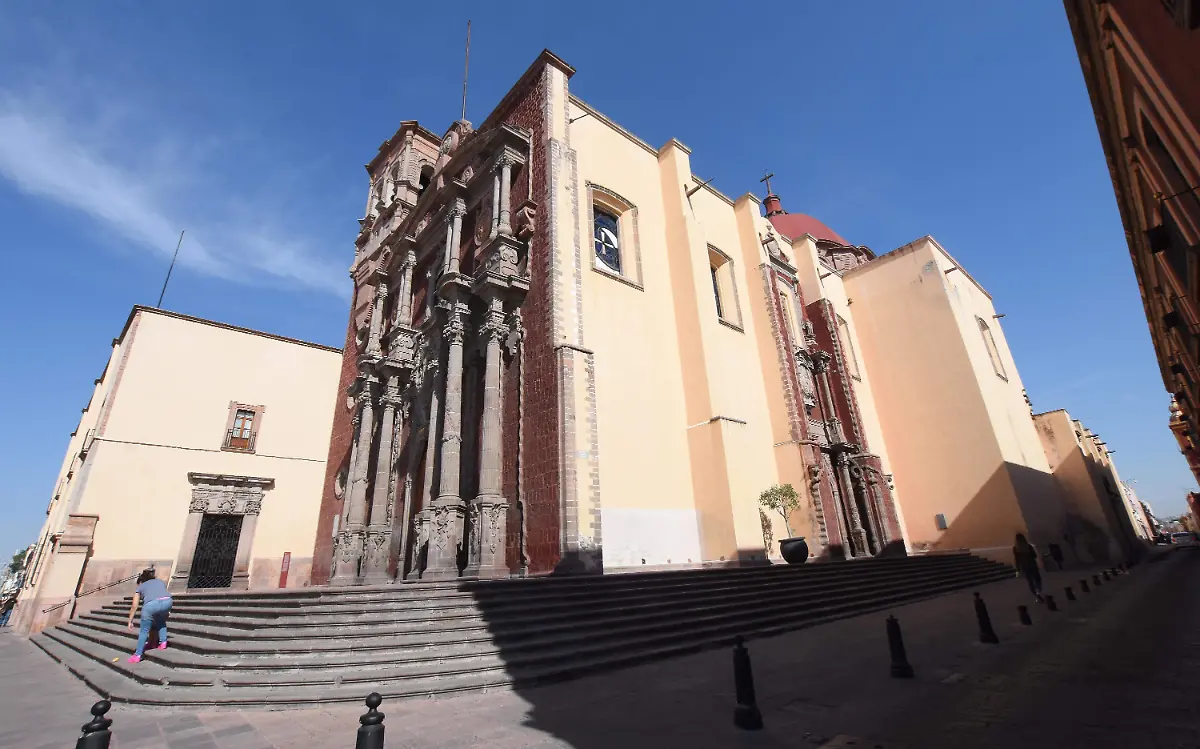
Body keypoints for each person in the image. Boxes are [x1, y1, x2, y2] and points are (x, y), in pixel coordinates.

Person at [125, 567, 171, 663]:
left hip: (151, 605)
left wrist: (130, 621)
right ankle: (163, 642)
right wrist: (167, 610)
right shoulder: (160, 582)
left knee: (144, 630)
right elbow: (162, 594)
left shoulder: (141, 586)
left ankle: (138, 655)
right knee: (161, 621)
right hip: (168, 601)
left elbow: (134, 605)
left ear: (141, 581)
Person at [1013, 533, 1044, 603]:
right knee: (1037, 579)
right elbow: (1035, 556)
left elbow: (1017, 560)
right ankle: (1038, 592)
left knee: (1030, 582)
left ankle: (1036, 596)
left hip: (1024, 566)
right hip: (1032, 564)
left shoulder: (1015, 548)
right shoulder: (1029, 546)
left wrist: (1018, 569)